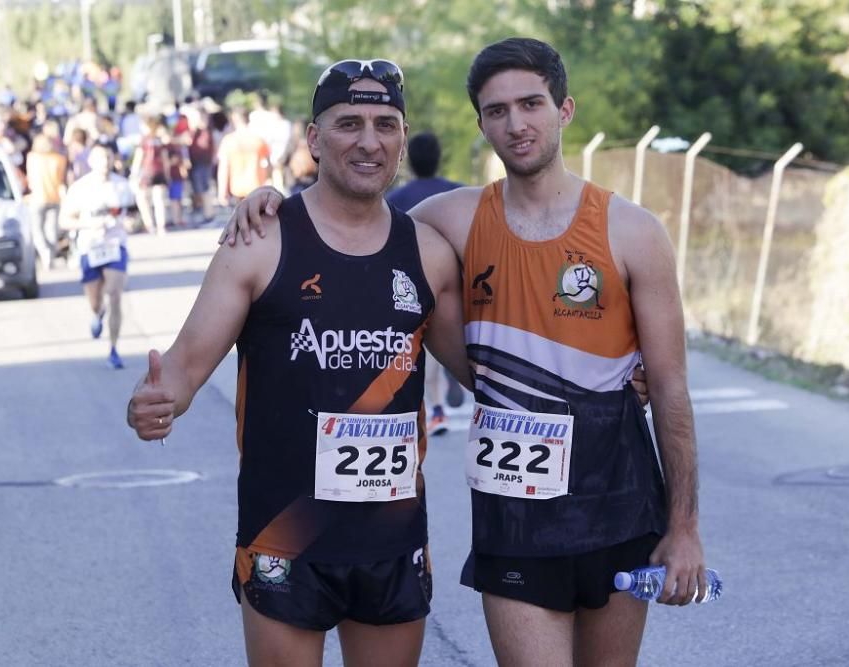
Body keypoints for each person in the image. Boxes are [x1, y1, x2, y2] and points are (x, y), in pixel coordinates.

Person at [222, 37, 706, 667]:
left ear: (565, 110)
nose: (517, 124)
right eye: (497, 111)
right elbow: (344, 217)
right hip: (513, 521)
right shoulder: (445, 220)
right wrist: (267, 204)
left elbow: (670, 390)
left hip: (618, 507)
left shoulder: (634, 232)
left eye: (531, 104)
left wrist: (686, 527)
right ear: (481, 124)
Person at [127, 59, 469, 667]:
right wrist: (158, 401)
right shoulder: (262, 239)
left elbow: (485, 373)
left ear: (402, 136)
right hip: (284, 536)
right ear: (313, 139)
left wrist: (614, 374)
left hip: (390, 538)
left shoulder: (428, 252)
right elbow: (182, 367)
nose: (369, 141)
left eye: (385, 124)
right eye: (348, 123)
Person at [387, 132, 465, 435]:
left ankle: (437, 407)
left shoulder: (395, 200)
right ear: (438, 158)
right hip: (459, 284)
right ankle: (454, 376)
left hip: (418, 288)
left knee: (428, 354)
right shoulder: (459, 194)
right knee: (452, 347)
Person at [60, 144, 134, 370]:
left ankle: (113, 349)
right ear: (91, 161)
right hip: (90, 247)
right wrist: (88, 223)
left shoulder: (121, 185)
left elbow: (133, 213)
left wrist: (131, 223)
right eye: (100, 158)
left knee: (114, 294)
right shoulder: (80, 188)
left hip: (115, 245)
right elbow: (64, 220)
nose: (104, 162)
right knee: (95, 300)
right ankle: (97, 313)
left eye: (108, 158)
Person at [25, 133, 68, 270]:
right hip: (54, 197)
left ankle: (45, 253)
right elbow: (61, 180)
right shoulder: (59, 159)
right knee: (51, 230)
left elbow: (30, 177)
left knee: (37, 230)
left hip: (37, 197)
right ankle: (49, 254)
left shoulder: (32, 158)